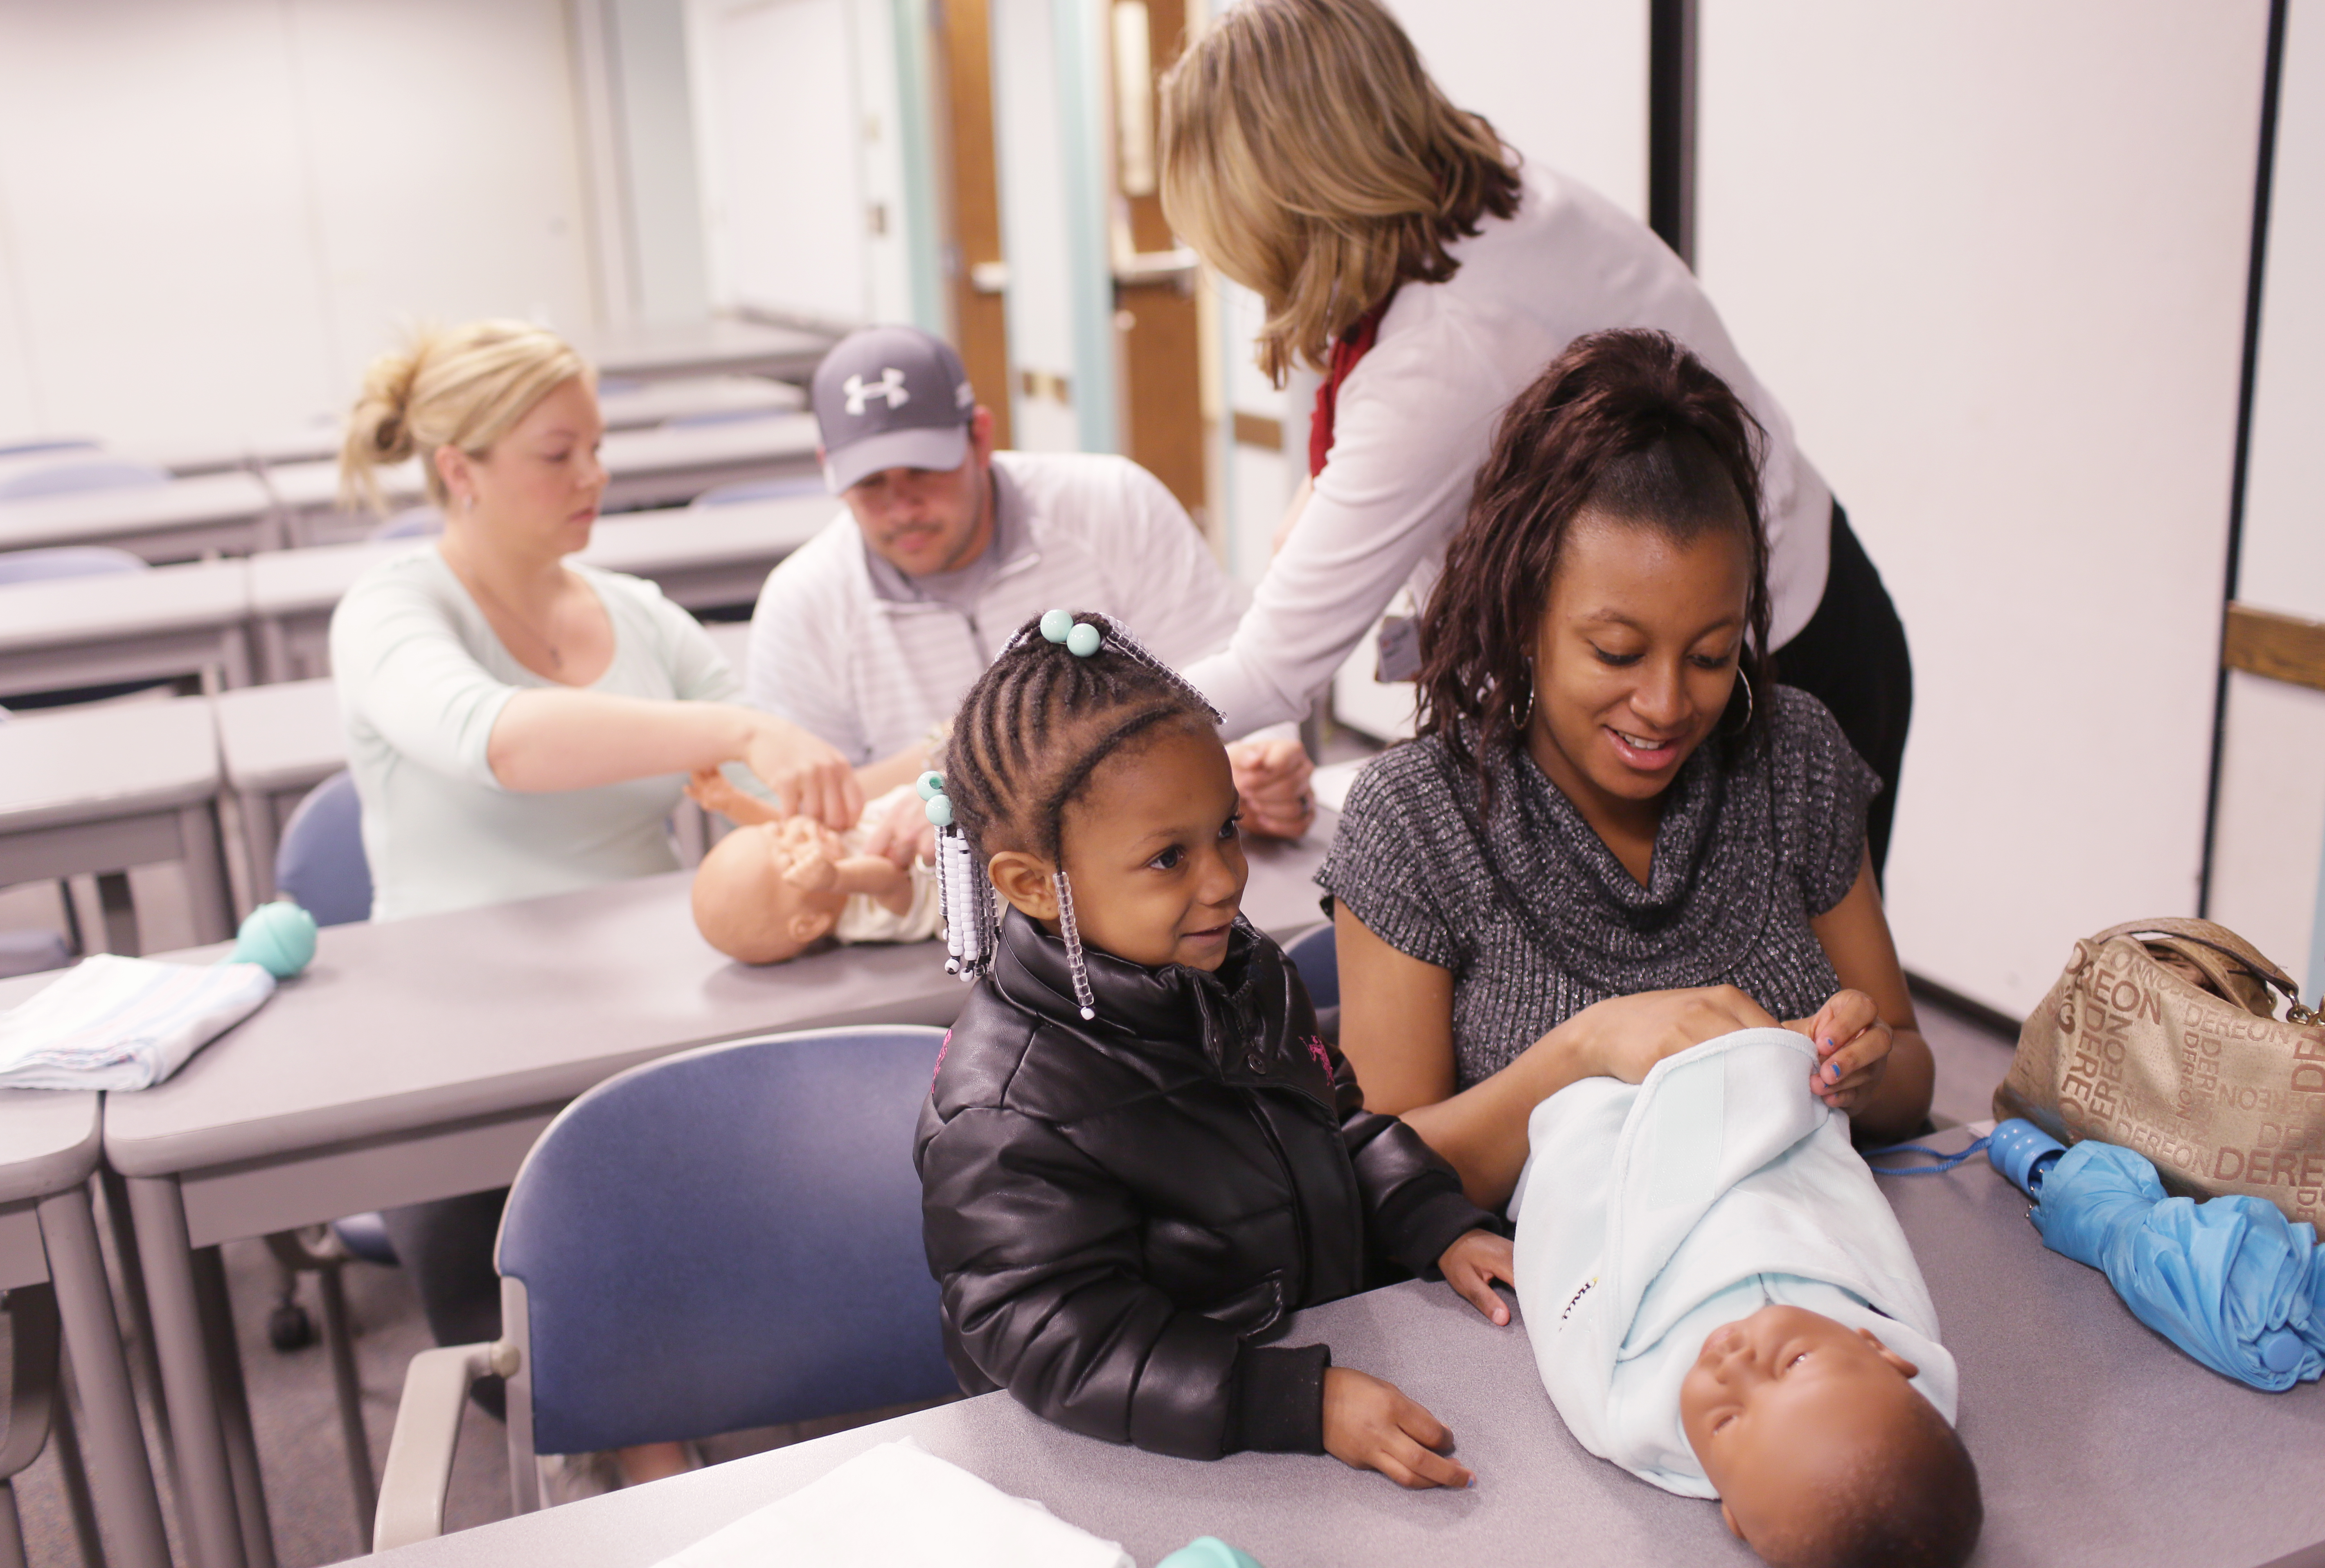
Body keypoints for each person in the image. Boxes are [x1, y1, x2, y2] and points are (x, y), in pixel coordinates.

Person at [1160, 0, 1912, 876]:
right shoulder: (1476, 197)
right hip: (1793, 610)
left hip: (1760, 681)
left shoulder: (1443, 350)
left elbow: (1270, 671)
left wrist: (1075, 738)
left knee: (1771, 1004)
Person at [331, 319, 865, 1490]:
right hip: (461, 1069)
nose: (595, 478)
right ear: (458, 469)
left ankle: (679, 1471)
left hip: (652, 1029)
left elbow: (797, 786)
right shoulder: (390, 610)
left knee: (800, 1251)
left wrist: (914, 785)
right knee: (614, 1333)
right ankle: (660, 1479)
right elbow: (500, 740)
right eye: (557, 453)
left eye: (598, 448)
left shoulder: (639, 614)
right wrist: (737, 727)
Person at [1319, 330, 1936, 1211]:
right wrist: (1587, 1047)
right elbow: (1383, 1177)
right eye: (1616, 653)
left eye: (1713, 656)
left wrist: (1865, 1069)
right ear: (1523, 613)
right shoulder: (1419, 819)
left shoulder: (1790, 756)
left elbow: (1912, 1066)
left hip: (1802, 1272)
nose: (1666, 705)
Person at [915, 610, 1516, 1488]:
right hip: (1155, 1468)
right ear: (1031, 886)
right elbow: (1064, 1345)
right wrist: (1296, 1402)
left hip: (1308, 1394)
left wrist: (1436, 1222)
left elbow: (1335, 1126)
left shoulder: (1244, 971)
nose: (1226, 879)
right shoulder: (1004, 1116)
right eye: (1168, 858)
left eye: (1226, 829)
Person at [740, 324, 1316, 856]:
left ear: (980, 438)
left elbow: (1224, 682)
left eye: (923, 470)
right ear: (829, 471)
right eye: (870, 484)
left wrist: (1260, 767)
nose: (902, 507)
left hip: (1154, 863)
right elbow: (807, 825)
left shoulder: (1115, 506)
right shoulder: (803, 603)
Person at [1514, 1026, 1981, 1568]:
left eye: (1727, 1421)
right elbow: (1846, 1205)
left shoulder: (1630, 1414)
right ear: (1880, 1350)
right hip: (1754, 1112)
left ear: (1731, 1511)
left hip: (1612, 1133)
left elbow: (1567, 1275)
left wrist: (1592, 1119)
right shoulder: (1890, 1335)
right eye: (1795, 1361)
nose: (1733, 1364)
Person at [684, 771, 937, 964]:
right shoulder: (861, 918)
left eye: (780, 832)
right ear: (810, 923)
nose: (796, 835)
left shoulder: (829, 846)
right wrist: (838, 877)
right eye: (792, 860)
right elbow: (892, 879)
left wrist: (733, 803)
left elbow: (775, 831)